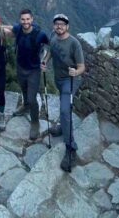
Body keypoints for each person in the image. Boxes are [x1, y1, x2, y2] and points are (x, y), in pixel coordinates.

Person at [43, 13, 86, 172]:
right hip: (58, 79)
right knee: (63, 107)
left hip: (70, 80)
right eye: (57, 24)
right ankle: (62, 127)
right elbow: (50, 51)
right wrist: (44, 62)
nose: (59, 26)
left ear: (67, 26)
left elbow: (82, 66)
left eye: (62, 24)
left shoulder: (74, 43)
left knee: (64, 110)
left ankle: (71, 148)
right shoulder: (53, 36)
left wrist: (76, 72)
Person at [2, 9, 49, 140]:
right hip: (20, 67)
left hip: (34, 70)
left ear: (32, 19)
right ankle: (25, 106)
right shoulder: (18, 29)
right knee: (23, 90)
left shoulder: (40, 34)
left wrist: (45, 60)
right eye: (23, 19)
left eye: (28, 19)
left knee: (32, 98)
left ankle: (35, 122)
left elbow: (49, 46)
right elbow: (12, 28)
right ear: (20, 20)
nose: (25, 22)